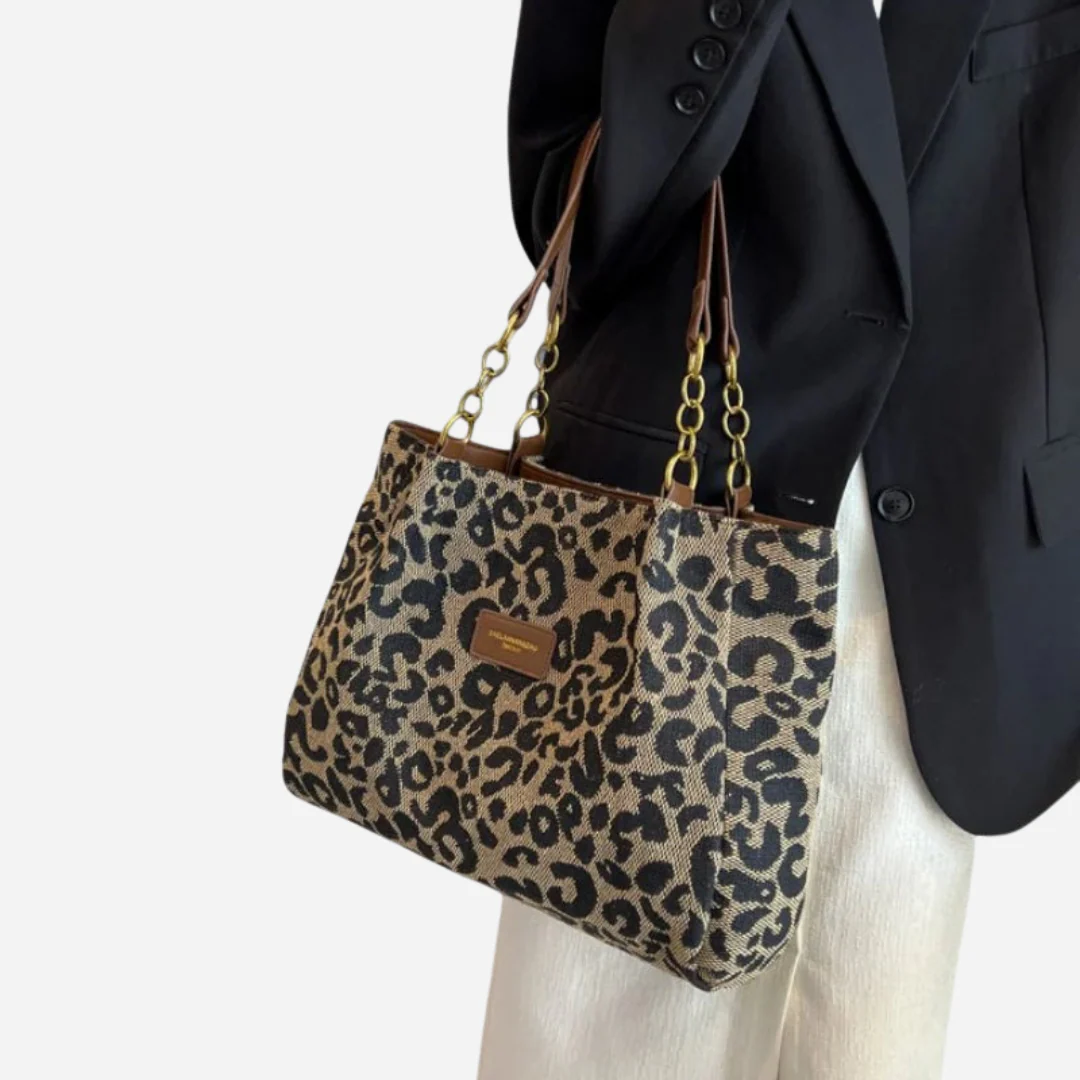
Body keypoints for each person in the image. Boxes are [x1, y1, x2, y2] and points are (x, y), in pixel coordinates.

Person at [477, 1, 1080, 1077]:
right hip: (657, 556)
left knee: (870, 1043)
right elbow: (562, 209)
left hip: (954, 565)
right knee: (589, 1040)